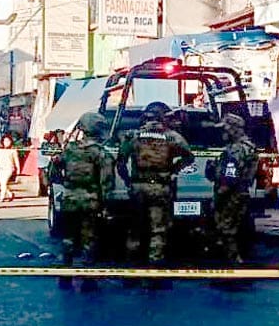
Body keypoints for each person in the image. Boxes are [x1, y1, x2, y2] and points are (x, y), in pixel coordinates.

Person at [117, 102, 194, 271]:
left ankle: (131, 268)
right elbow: (189, 157)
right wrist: (173, 169)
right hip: (160, 187)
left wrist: (128, 181)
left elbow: (121, 161)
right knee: (158, 229)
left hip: (138, 187)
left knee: (135, 227)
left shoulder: (134, 136)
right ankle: (155, 268)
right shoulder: (172, 136)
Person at [49, 113, 114, 291]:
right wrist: (106, 204)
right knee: (89, 239)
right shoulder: (100, 153)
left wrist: (65, 184)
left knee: (69, 237)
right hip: (90, 200)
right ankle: (88, 279)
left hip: (70, 198)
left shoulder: (69, 149)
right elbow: (106, 181)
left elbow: (54, 170)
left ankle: (65, 276)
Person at [205, 113, 258, 264]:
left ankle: (233, 264)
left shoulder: (236, 149)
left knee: (226, 231)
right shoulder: (248, 146)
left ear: (233, 129)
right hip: (240, 193)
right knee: (235, 230)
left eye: (225, 129)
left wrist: (218, 198)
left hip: (231, 196)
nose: (223, 133)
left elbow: (230, 178)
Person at [0, 134, 20, 202]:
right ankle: (10, 194)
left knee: (4, 183)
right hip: (1, 168)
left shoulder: (13, 150)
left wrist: (18, 169)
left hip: (9, 168)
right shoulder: (0, 150)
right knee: (2, 184)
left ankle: (2, 198)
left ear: (11, 142)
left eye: (8, 141)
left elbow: (16, 160)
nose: (6, 142)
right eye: (5, 141)